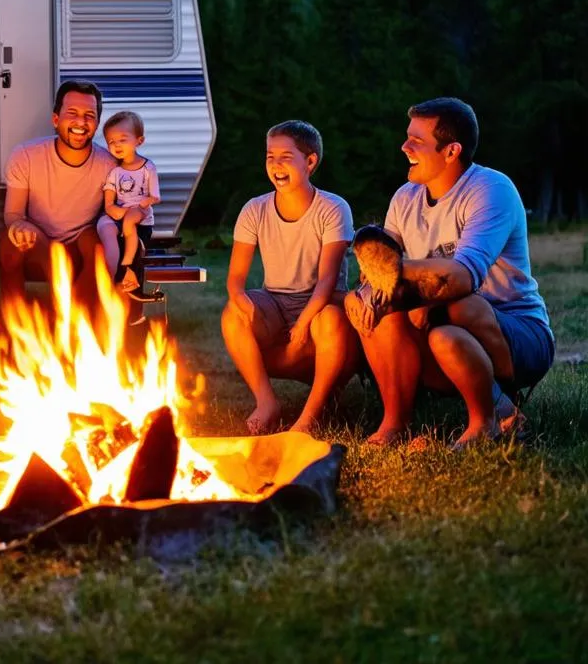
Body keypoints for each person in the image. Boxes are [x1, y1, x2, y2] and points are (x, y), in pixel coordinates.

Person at [344, 98, 554, 448]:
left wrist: (394, 273)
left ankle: (493, 409)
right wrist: (365, 294)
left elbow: (461, 278)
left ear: (451, 151)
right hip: (442, 334)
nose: (404, 146)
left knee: (458, 306)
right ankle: (394, 424)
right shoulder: (405, 198)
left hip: (515, 333)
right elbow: (377, 273)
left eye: (417, 141)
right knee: (383, 309)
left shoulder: (491, 190)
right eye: (406, 137)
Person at [221, 120, 359, 435]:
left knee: (331, 321)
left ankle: (309, 417)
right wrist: (241, 300)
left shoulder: (333, 208)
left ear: (310, 162)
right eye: (270, 156)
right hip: (275, 302)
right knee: (233, 314)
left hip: (322, 303)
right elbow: (235, 279)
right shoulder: (254, 209)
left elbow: (327, 280)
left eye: (286, 157)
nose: (276, 165)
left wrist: (304, 322)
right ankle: (267, 402)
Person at [0, 79, 116, 308]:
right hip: (39, 242)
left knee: (99, 242)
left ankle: (73, 320)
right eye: (72, 113)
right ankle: (12, 327)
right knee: (8, 241)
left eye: (89, 115)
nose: (81, 122)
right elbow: (13, 213)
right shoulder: (26, 156)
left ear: (97, 123)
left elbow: (112, 215)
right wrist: (20, 226)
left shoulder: (109, 165)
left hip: (80, 242)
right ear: (56, 119)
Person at [96, 111, 161, 294]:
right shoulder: (115, 172)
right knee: (106, 226)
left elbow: (155, 196)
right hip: (122, 213)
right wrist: (111, 208)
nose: (116, 145)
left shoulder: (148, 167)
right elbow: (109, 201)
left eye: (122, 139)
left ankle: (127, 267)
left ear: (139, 141)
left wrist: (139, 206)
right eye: (111, 141)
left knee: (130, 220)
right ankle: (111, 276)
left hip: (141, 214)